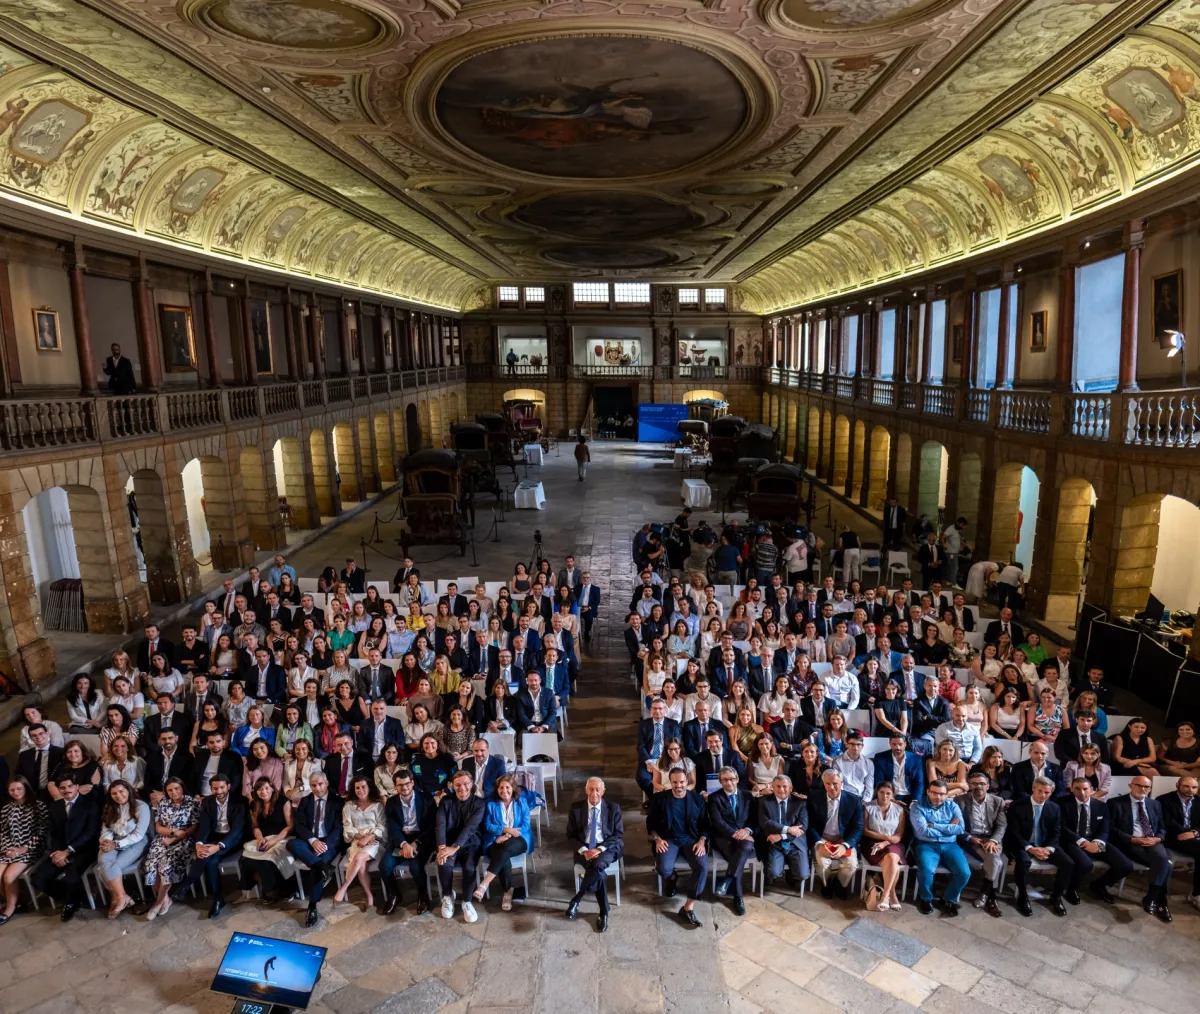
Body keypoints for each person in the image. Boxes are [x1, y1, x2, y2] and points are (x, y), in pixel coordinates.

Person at [172, 772, 247, 918]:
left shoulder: (240, 801)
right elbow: (204, 825)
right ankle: (217, 899)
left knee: (210, 860)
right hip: (215, 836)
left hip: (234, 839)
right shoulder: (207, 802)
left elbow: (238, 829)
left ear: (228, 787)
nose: (218, 791)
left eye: (221, 788)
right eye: (215, 788)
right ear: (211, 789)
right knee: (208, 858)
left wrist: (219, 846)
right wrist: (199, 844)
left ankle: (188, 884)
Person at [28, 773, 97, 922]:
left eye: (70, 786)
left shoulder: (90, 804)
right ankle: (72, 899)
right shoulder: (55, 806)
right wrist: (55, 853)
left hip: (83, 850)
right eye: (62, 788)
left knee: (70, 878)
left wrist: (68, 851)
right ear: (59, 790)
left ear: (77, 787)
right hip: (60, 851)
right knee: (37, 879)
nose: (67, 790)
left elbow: (90, 833)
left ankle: (70, 901)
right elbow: (52, 833)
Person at [1058, 776, 1133, 907]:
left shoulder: (1101, 806)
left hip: (1096, 841)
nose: (1082, 792)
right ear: (1071, 789)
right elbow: (1062, 827)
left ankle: (1099, 885)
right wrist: (1083, 842)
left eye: (1085, 789)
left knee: (1125, 865)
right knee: (1086, 864)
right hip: (1072, 840)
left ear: (1092, 790)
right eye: (1077, 789)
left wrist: (1098, 842)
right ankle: (1071, 888)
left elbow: (1105, 828)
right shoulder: (1062, 803)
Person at [648, 768, 708, 927]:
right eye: (675, 782)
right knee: (663, 869)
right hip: (668, 839)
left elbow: (705, 824)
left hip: (691, 840)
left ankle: (688, 907)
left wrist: (702, 841)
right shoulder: (659, 799)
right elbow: (650, 823)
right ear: (670, 782)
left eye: (681, 782)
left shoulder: (697, 799)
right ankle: (673, 877)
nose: (678, 785)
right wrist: (657, 839)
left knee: (702, 867)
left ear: (687, 781)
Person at [1108, 776, 1173, 921]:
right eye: (1139, 785)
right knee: (1166, 865)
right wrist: (1131, 839)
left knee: (1162, 860)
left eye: (1147, 787)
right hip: (1131, 842)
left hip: (1153, 842)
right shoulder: (1115, 803)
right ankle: (1161, 902)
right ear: (1130, 786)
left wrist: (1158, 838)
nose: (1143, 789)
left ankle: (1151, 898)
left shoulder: (1155, 804)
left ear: (1150, 789)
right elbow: (1111, 828)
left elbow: (1162, 827)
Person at [1005, 776, 1071, 917]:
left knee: (1068, 863)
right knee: (1024, 862)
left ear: (1051, 793)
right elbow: (1013, 831)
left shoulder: (1054, 808)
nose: (1043, 795)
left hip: (1045, 844)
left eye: (1047, 793)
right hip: (1022, 843)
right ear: (1033, 789)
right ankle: (1022, 896)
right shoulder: (1017, 805)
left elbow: (1056, 832)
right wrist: (1030, 848)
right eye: (1040, 791)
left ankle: (1056, 897)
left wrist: (1049, 849)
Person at [565, 777, 623, 932]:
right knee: (599, 873)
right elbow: (570, 836)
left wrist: (599, 850)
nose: (594, 793)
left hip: (606, 849)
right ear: (586, 790)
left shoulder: (613, 808)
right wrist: (585, 851)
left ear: (603, 791)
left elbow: (618, 836)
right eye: (591, 789)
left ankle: (577, 900)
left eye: (598, 789)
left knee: (597, 865)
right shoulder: (576, 808)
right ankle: (604, 912)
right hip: (584, 848)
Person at [288, 772, 344, 926]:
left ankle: (312, 906)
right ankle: (324, 867)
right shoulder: (305, 801)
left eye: (320, 784)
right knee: (292, 844)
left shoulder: (337, 802)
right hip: (310, 840)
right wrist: (313, 841)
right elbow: (299, 825)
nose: (317, 788)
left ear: (326, 783)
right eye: (313, 785)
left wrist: (325, 844)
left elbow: (339, 827)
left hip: (329, 842)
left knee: (315, 867)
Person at [472, 775, 534, 911]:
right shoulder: (491, 804)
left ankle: (485, 883)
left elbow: (525, 825)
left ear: (513, 789)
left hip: (519, 839)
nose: (504, 790)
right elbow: (487, 825)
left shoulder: (521, 802)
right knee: (502, 853)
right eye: (501, 787)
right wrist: (505, 829)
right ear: (497, 789)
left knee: (504, 848)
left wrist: (507, 835)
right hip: (494, 840)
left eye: (507, 787)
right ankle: (507, 891)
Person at [909, 778, 969, 916]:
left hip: (950, 844)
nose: (938, 797)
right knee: (926, 870)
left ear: (946, 794)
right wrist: (949, 827)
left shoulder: (952, 806)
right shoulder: (918, 806)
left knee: (964, 873)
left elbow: (960, 829)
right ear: (928, 792)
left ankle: (948, 899)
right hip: (926, 844)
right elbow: (923, 831)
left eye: (942, 794)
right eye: (934, 793)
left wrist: (934, 825)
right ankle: (926, 899)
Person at [379, 768, 434, 916]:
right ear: (395, 787)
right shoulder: (391, 803)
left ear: (412, 783)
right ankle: (394, 895)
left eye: (407, 784)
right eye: (400, 785)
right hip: (400, 841)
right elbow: (393, 827)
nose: (404, 787)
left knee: (416, 867)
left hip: (421, 840)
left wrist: (416, 843)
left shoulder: (426, 799)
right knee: (384, 866)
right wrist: (404, 844)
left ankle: (423, 896)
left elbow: (431, 826)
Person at [435, 770, 486, 922]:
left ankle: (467, 901)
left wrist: (455, 847)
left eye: (465, 784)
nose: (462, 788)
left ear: (471, 785)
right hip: (448, 842)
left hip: (470, 843)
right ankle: (447, 896)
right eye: (458, 785)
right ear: (452, 785)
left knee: (469, 868)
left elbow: (470, 828)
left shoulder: (479, 803)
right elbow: (440, 824)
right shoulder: (445, 801)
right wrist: (442, 847)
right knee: (444, 863)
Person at [97, 779, 150, 919]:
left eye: (121, 791)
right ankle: (123, 897)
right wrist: (106, 841)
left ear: (128, 790)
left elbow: (139, 834)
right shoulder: (109, 807)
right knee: (104, 862)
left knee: (110, 867)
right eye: (114, 793)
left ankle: (116, 898)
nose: (118, 795)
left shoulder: (141, 806)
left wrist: (116, 845)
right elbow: (106, 828)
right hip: (113, 841)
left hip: (136, 842)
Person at [706, 766, 755, 916]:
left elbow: (754, 819)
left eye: (732, 779)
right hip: (723, 838)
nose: (729, 783)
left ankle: (729, 881)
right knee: (739, 854)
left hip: (744, 836)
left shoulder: (748, 796)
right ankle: (737, 897)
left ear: (737, 779)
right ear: (720, 782)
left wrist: (747, 830)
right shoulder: (714, 798)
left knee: (745, 847)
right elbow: (718, 822)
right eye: (725, 780)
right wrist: (735, 834)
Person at [806, 770, 861, 898]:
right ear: (823, 784)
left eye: (835, 783)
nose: (831, 787)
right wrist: (819, 843)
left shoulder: (854, 800)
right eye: (828, 783)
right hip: (823, 837)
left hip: (844, 839)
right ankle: (826, 884)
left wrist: (845, 845)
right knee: (823, 863)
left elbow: (858, 827)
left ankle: (840, 883)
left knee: (851, 864)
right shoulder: (814, 797)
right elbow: (809, 825)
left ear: (842, 783)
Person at [241, 777, 294, 902]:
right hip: (263, 838)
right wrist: (260, 839)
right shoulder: (254, 804)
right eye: (259, 789)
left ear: (272, 788)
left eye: (266, 788)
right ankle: (267, 888)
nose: (263, 792)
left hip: (282, 837)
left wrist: (273, 841)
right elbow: (255, 826)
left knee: (269, 859)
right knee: (247, 859)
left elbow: (290, 826)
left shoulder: (282, 801)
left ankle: (281, 889)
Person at [863, 781, 907, 910]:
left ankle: (886, 895)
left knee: (892, 857)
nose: (885, 796)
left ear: (893, 794)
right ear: (877, 792)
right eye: (881, 792)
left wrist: (886, 842)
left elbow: (899, 835)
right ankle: (892, 895)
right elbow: (865, 830)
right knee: (893, 862)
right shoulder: (868, 806)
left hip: (893, 843)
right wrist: (886, 838)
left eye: (888, 793)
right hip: (871, 842)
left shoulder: (899, 810)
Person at [1159, 775, 1200, 909]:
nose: (1190, 790)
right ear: (1178, 785)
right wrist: (1184, 833)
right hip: (1174, 837)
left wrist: (1193, 833)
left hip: (1194, 837)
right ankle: (1196, 894)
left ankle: (1197, 893)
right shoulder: (1163, 800)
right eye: (1186, 786)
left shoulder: (1199, 801)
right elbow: (1167, 822)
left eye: (1194, 787)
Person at [873, 733, 924, 805]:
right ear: (890, 744)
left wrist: (915, 800)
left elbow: (919, 782)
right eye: (894, 744)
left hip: (910, 796)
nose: (898, 747)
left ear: (905, 744)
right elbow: (879, 782)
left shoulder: (916, 759)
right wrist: (889, 798)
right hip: (889, 795)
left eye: (900, 744)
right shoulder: (880, 758)